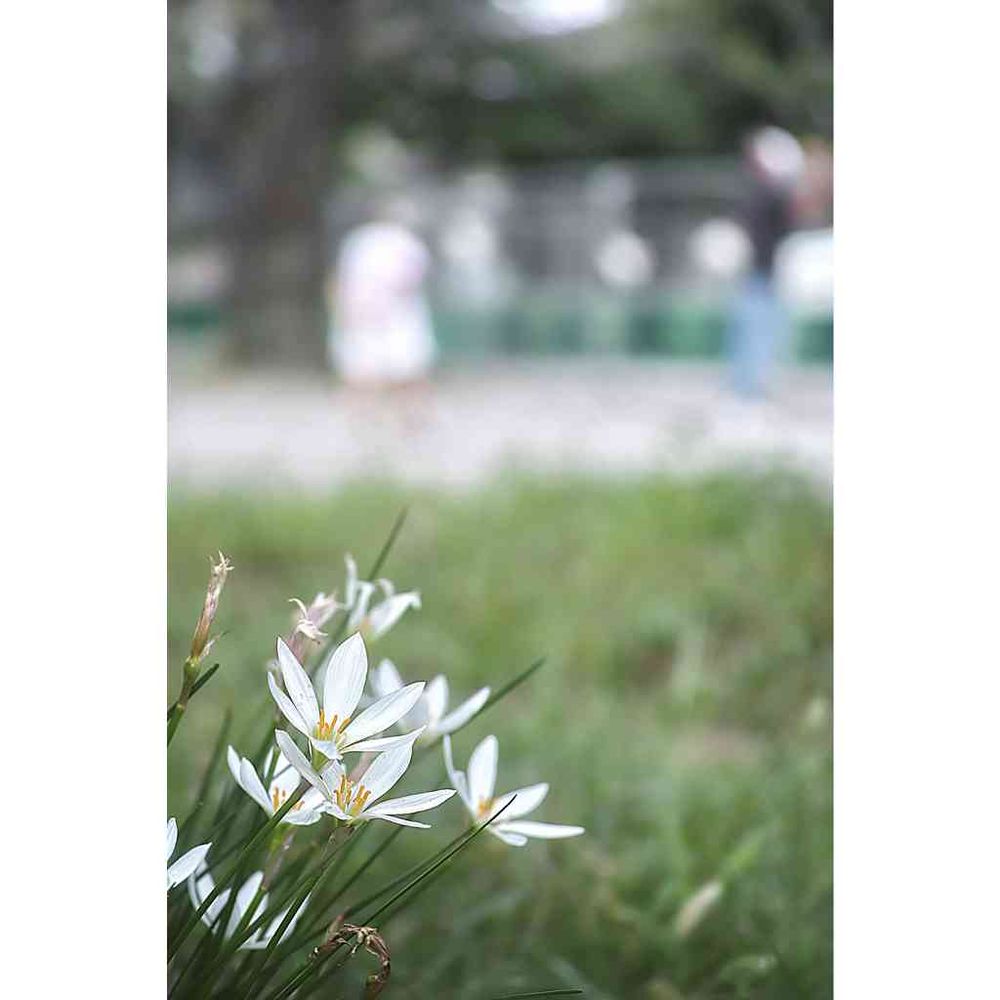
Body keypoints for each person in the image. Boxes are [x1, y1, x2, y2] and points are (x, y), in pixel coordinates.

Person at [726, 127, 804, 398]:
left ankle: (750, 387)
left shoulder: (769, 196)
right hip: (761, 274)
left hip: (765, 274)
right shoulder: (768, 196)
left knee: (757, 333)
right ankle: (748, 387)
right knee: (755, 332)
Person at [328, 199, 436, 386]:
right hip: (379, 311)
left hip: (378, 311)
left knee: (394, 370)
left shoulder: (360, 240)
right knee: (384, 370)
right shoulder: (399, 240)